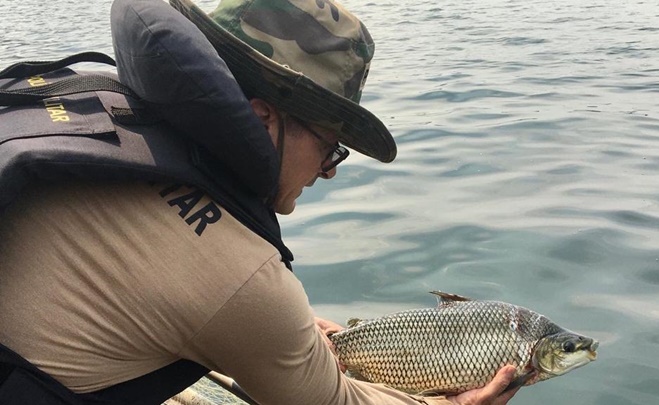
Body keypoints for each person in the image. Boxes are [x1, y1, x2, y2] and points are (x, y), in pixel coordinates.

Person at [0, 0, 524, 404]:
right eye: (329, 145)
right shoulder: (239, 281)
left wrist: (279, 331)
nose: (331, 169)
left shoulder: (95, 109)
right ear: (261, 117)